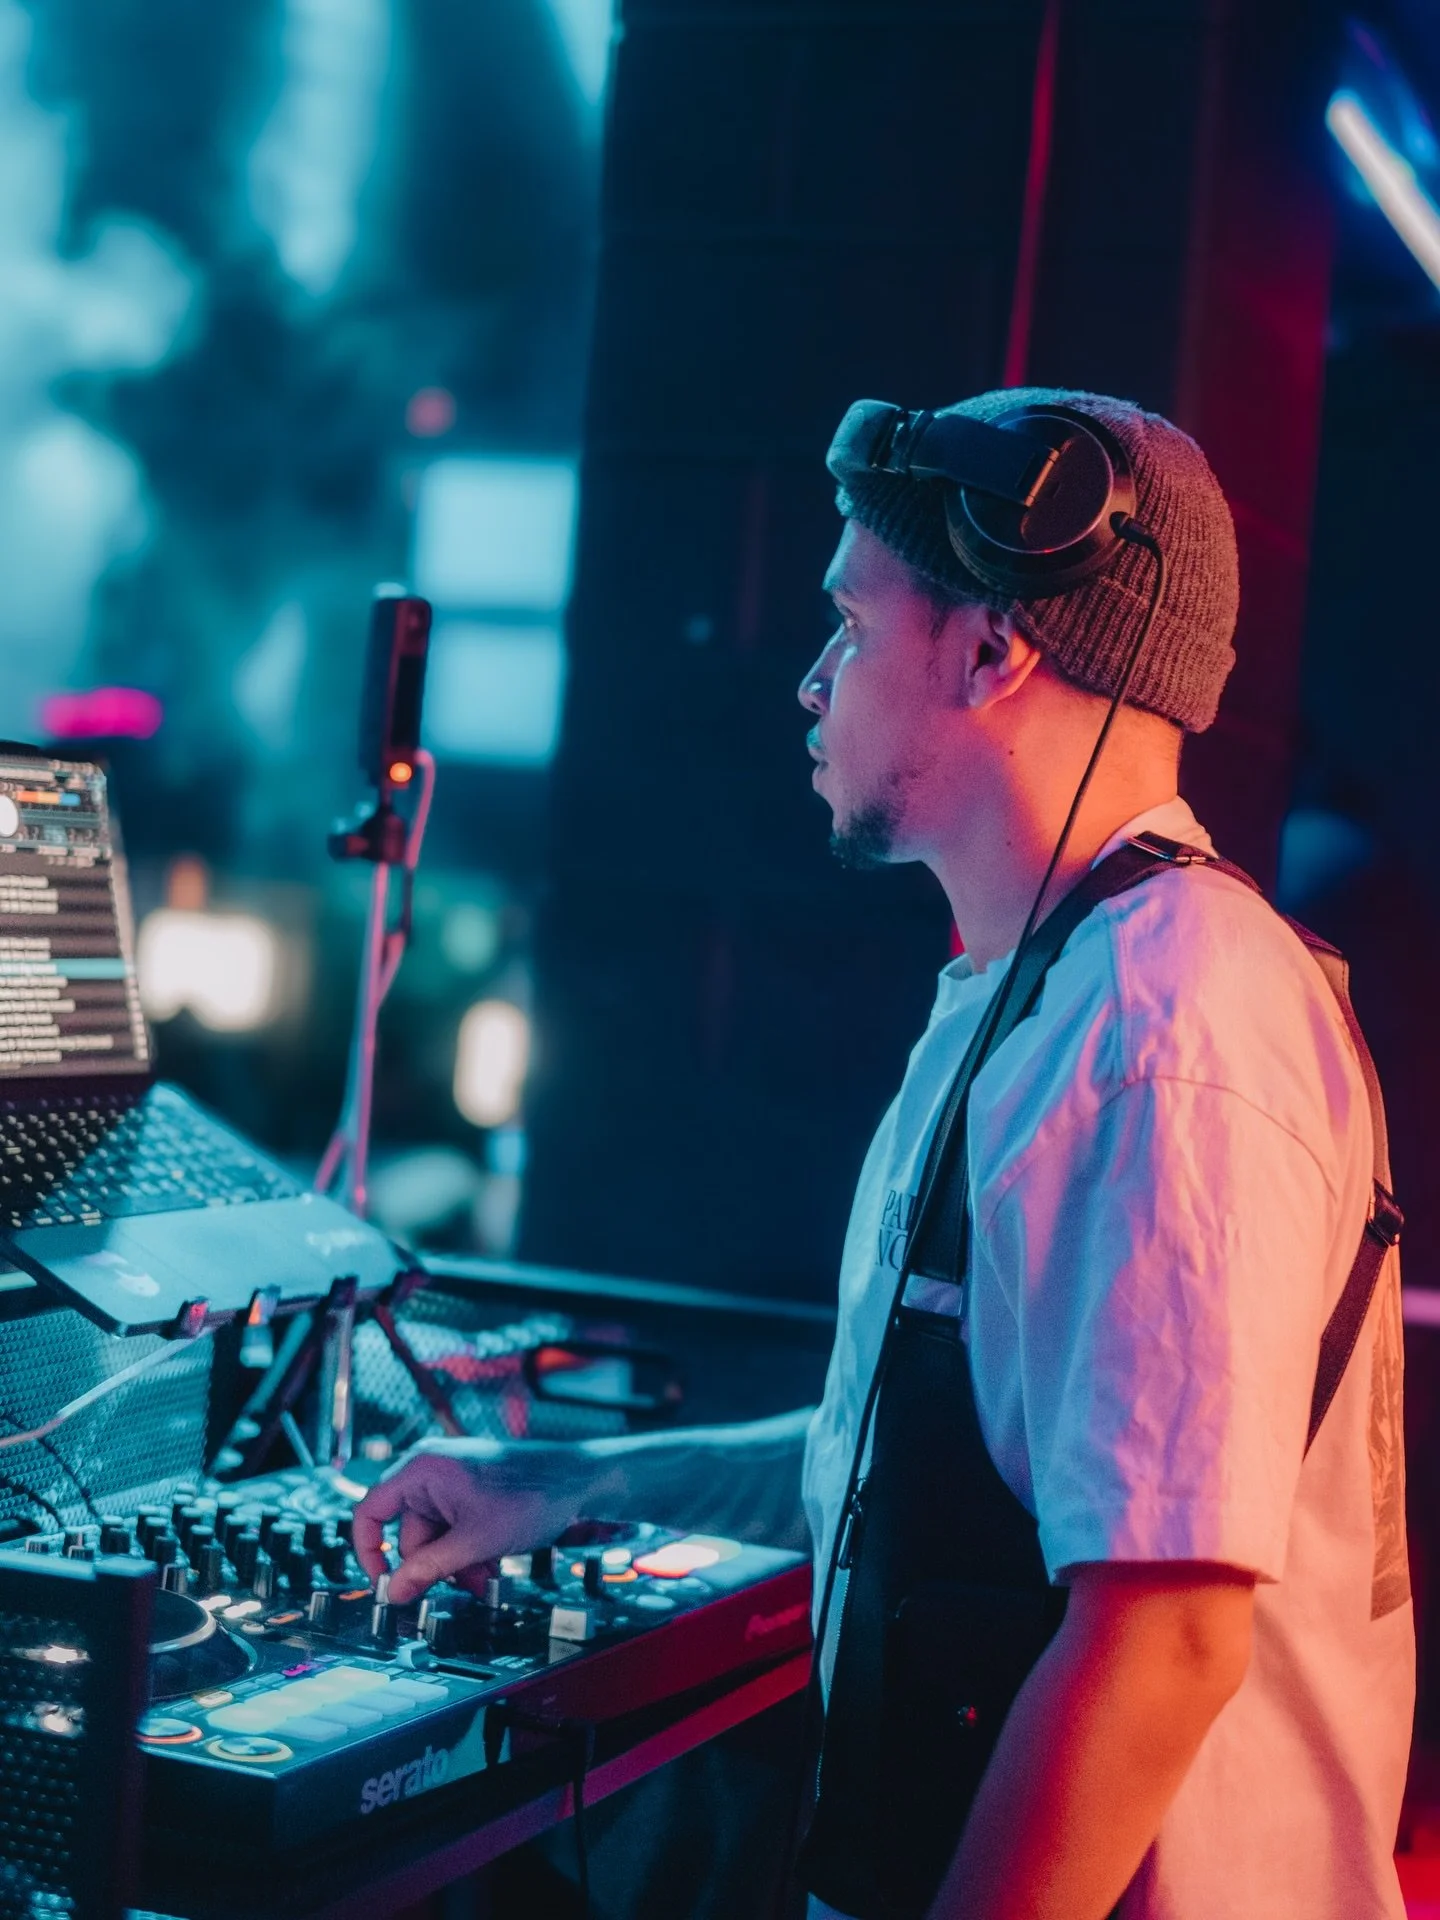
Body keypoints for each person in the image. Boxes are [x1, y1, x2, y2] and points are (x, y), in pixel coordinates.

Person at [354, 387, 1413, 1920]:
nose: (810, 680)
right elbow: (890, 1481)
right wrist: (559, 1482)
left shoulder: (1168, 1021)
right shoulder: (1046, 994)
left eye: (852, 622)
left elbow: (1165, 1638)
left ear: (994, 649)